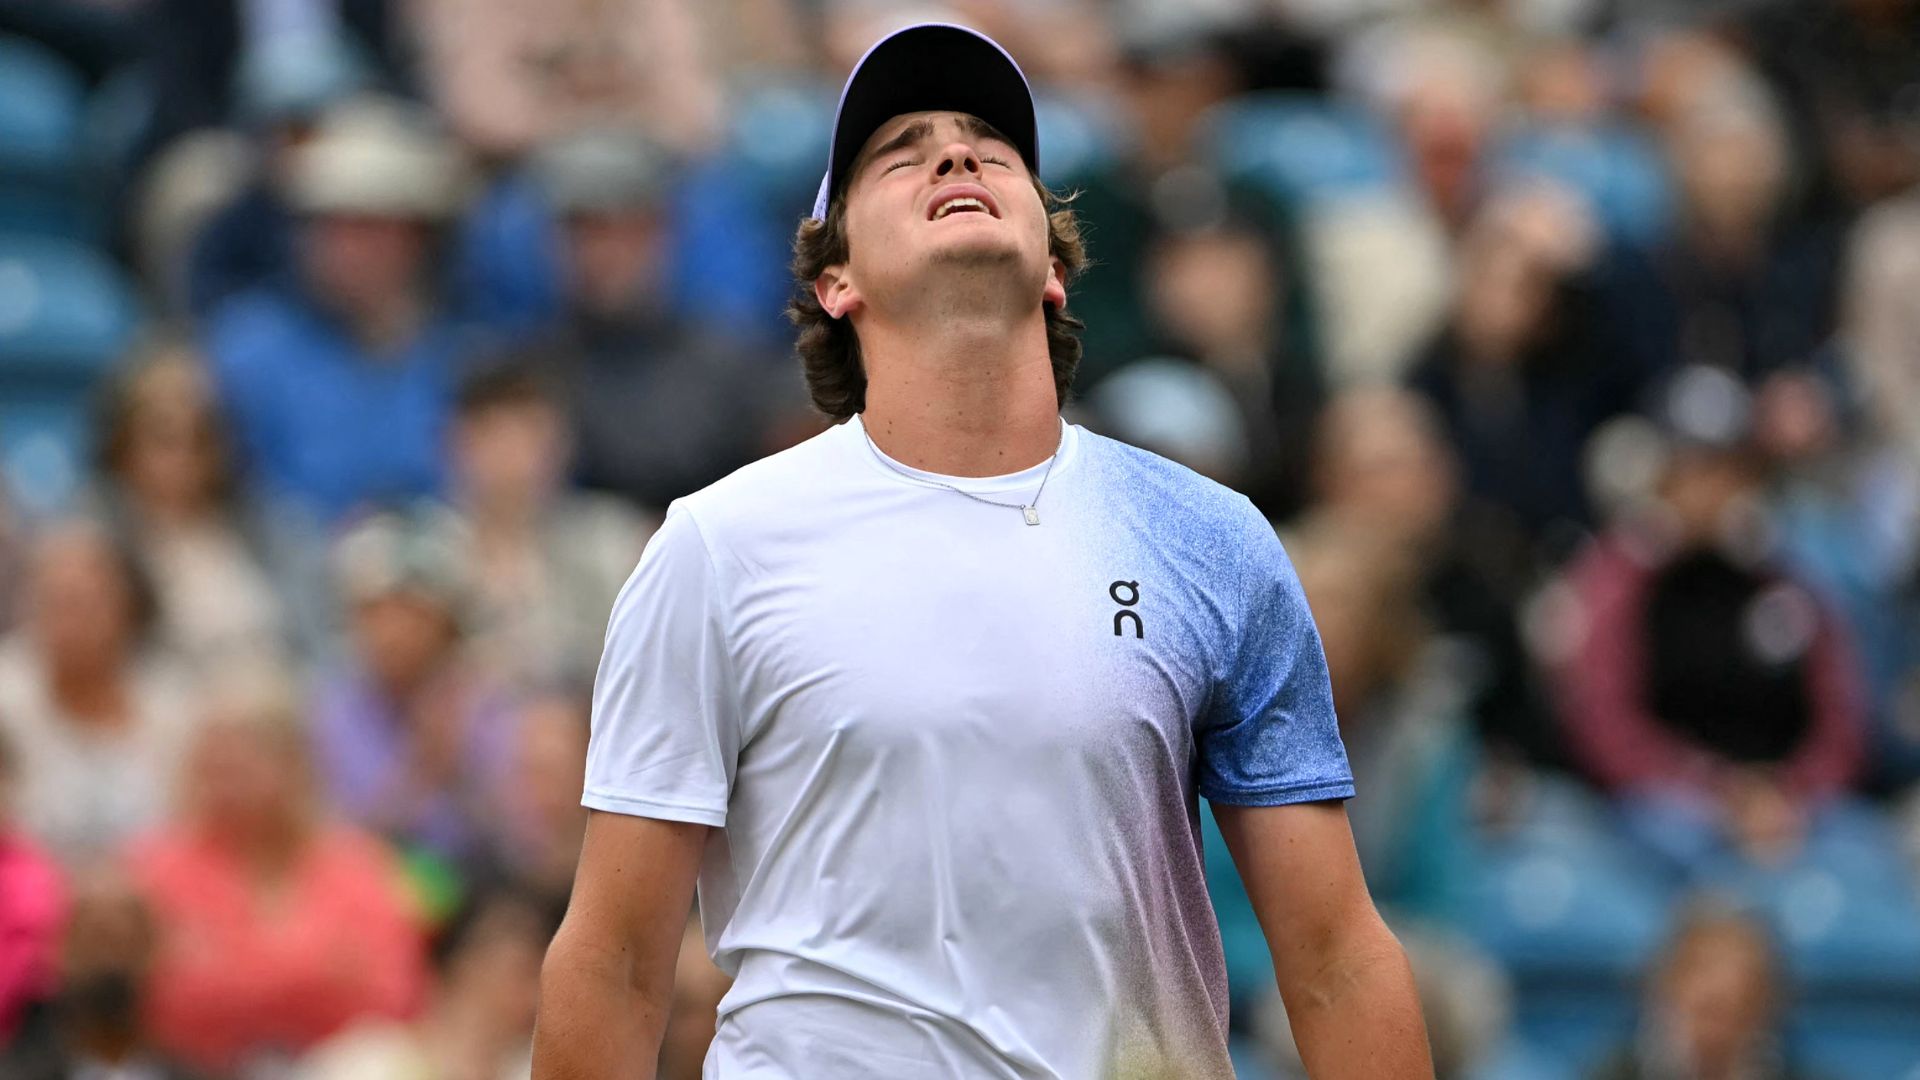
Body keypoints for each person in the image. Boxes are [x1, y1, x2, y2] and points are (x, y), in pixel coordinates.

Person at [535, 22, 1429, 1080]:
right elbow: (617, 964)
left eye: (989, 149)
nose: (956, 156)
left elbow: (1333, 956)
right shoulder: (717, 548)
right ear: (836, 280)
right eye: (900, 152)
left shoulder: (1210, 538)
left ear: (1054, 267)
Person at [130, 682, 428, 1075]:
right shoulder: (156, 868)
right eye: (211, 768)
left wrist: (233, 980)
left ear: (293, 765)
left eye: (240, 766)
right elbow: (157, 1000)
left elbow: (396, 994)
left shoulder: (357, 863)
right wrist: (316, 975)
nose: (223, 785)